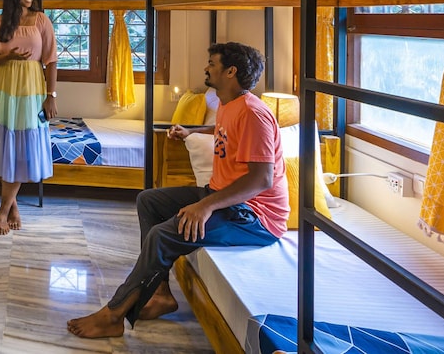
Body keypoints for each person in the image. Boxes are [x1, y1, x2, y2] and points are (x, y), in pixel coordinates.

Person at [67, 41, 289, 339]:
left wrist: (205, 206)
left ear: (231, 71)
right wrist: (193, 131)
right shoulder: (228, 103)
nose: (206, 68)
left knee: (162, 235)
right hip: (223, 197)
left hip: (255, 217)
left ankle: (114, 314)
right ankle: (160, 293)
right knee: (149, 201)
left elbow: (262, 180)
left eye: (212, 63)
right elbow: (224, 131)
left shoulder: (253, 113)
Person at [0, 0, 58, 235]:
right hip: (1, 88)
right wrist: (7, 56)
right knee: (5, 147)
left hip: (30, 89)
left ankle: (3, 210)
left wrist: (51, 96)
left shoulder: (41, 20)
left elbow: (51, 60)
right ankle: (12, 207)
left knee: (23, 148)